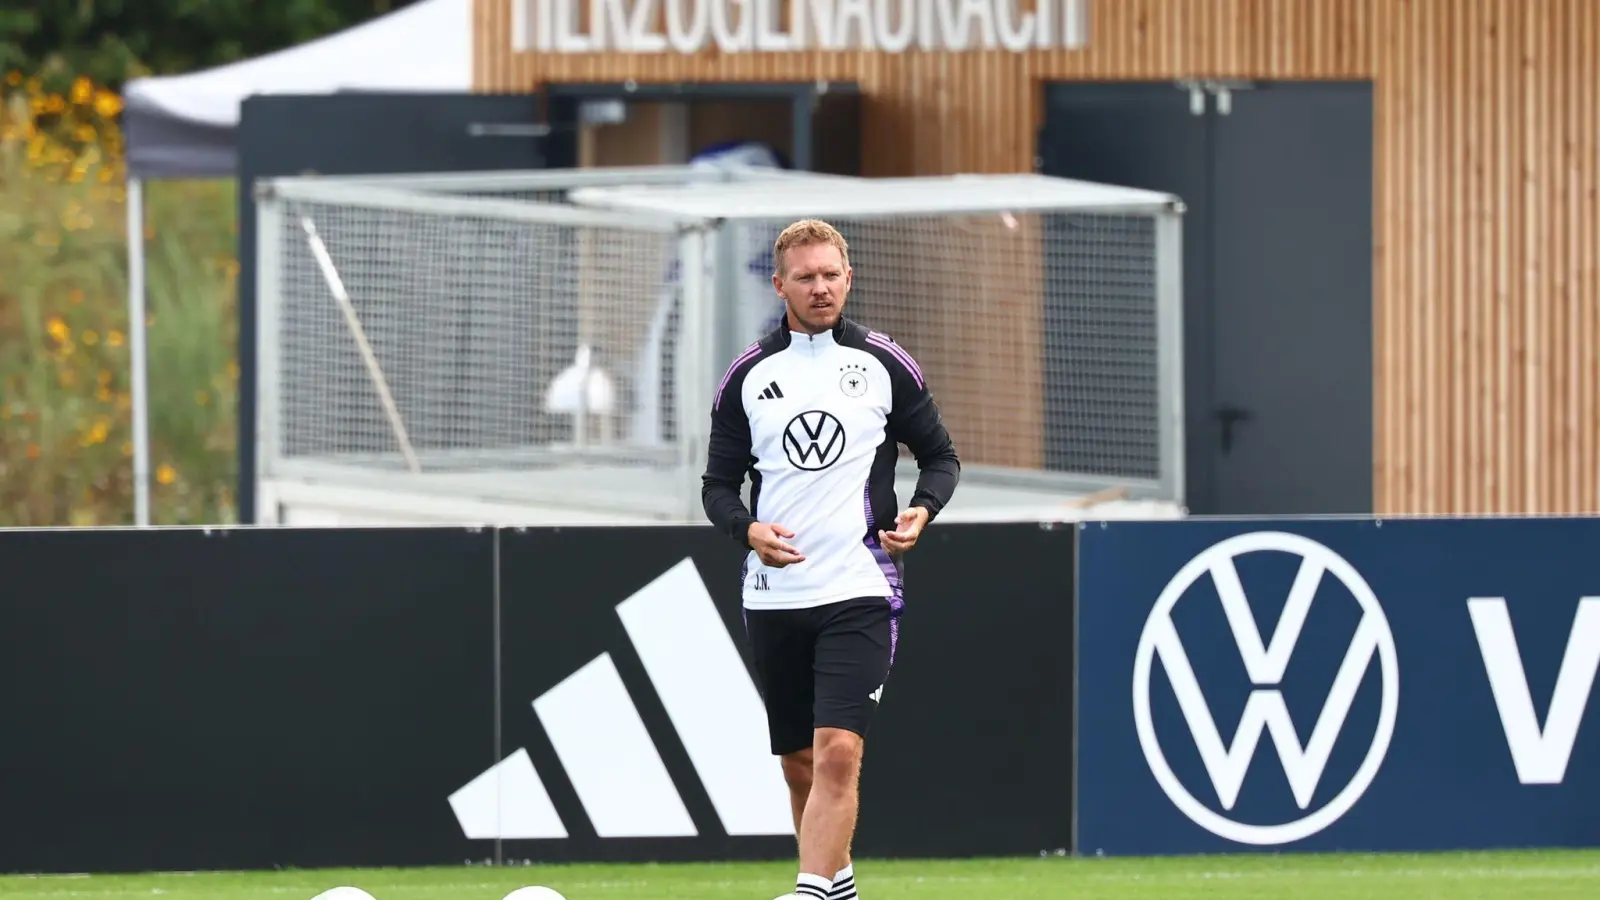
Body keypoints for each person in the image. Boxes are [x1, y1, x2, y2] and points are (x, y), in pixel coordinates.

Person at [701, 219, 960, 900]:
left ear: (849, 277)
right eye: (806, 277)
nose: (820, 288)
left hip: (860, 584)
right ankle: (836, 890)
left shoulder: (883, 364)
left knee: (840, 751)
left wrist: (923, 508)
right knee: (798, 763)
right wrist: (748, 529)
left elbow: (941, 455)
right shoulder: (749, 378)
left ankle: (811, 890)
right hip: (775, 594)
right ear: (781, 283)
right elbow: (717, 487)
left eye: (831, 275)